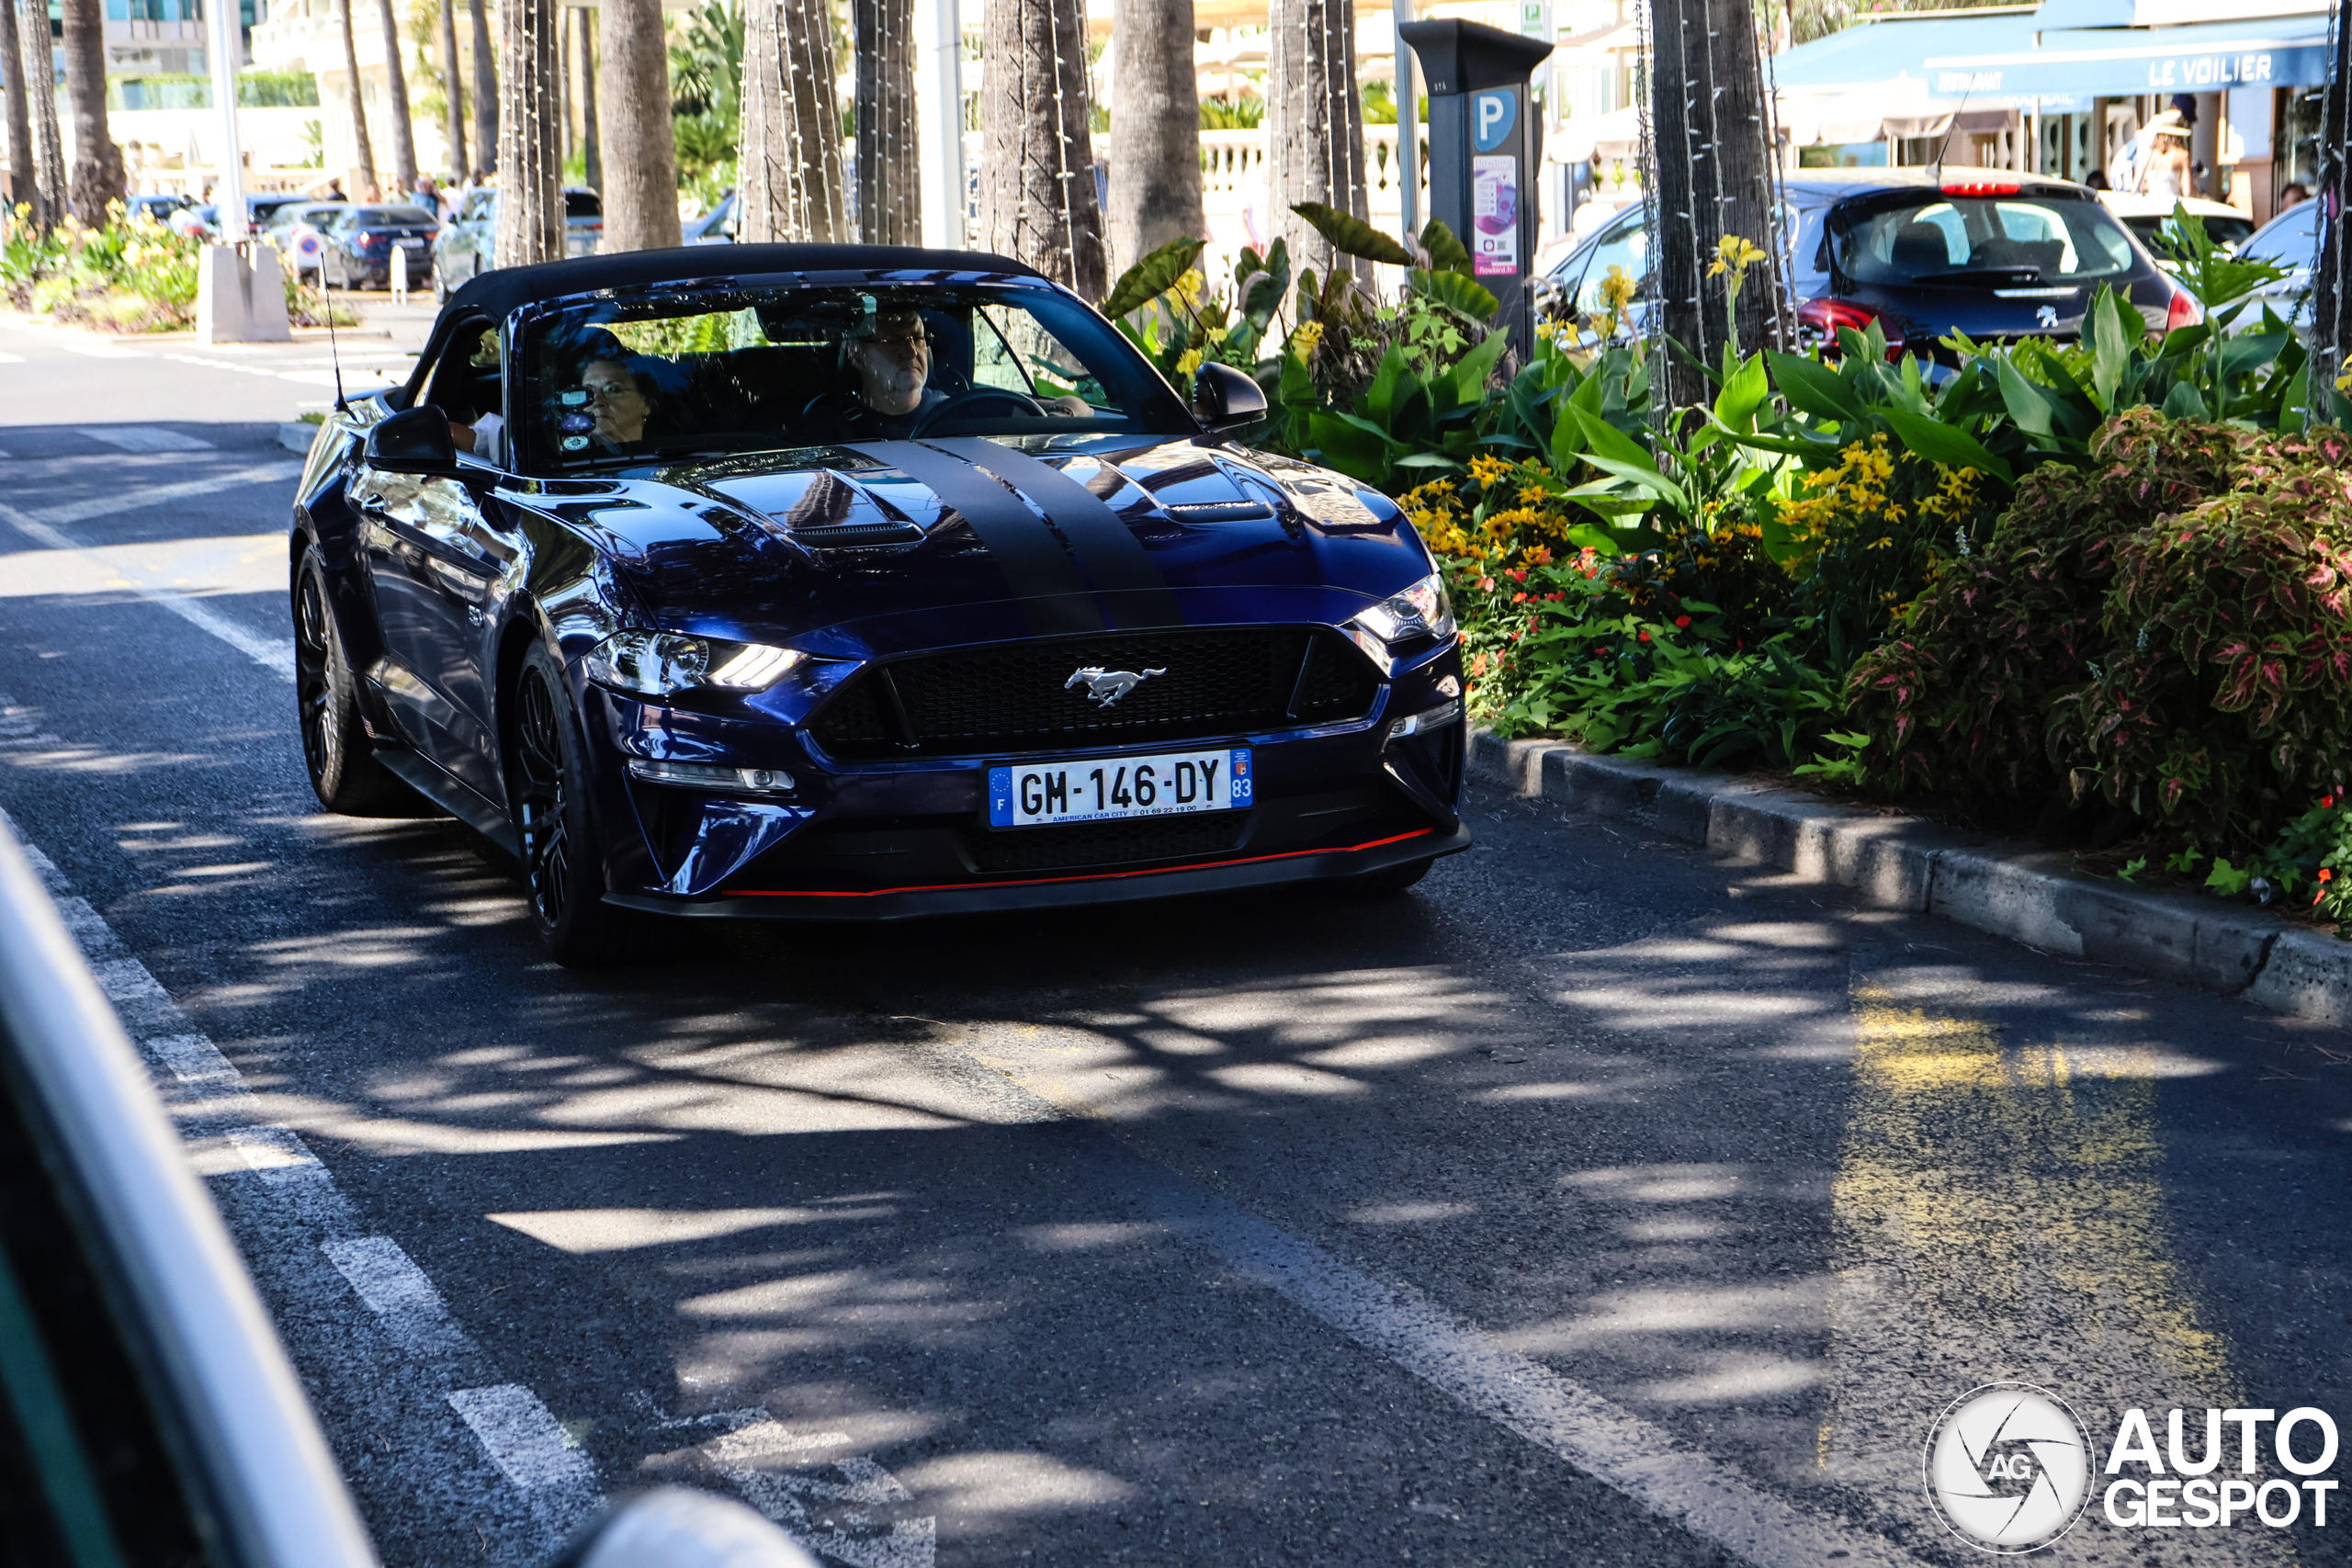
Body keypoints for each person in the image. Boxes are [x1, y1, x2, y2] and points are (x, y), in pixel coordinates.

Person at [2136, 113, 2192, 200]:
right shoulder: (2182, 155)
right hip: (2172, 205)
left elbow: (2138, 186)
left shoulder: (2148, 155)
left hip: (2151, 205)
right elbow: (2187, 192)